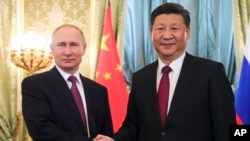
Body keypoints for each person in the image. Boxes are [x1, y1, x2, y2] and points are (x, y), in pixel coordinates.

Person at [94, 2, 236, 141]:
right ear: (151, 33)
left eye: (174, 29)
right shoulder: (141, 78)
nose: (167, 35)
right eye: (160, 29)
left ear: (187, 33)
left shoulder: (211, 73)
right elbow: (133, 126)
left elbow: (225, 126)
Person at [21, 24, 114, 141]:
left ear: (84, 49)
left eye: (74, 45)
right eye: (61, 45)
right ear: (52, 49)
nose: (68, 52)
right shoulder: (35, 85)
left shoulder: (98, 90)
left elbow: (106, 134)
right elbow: (41, 131)